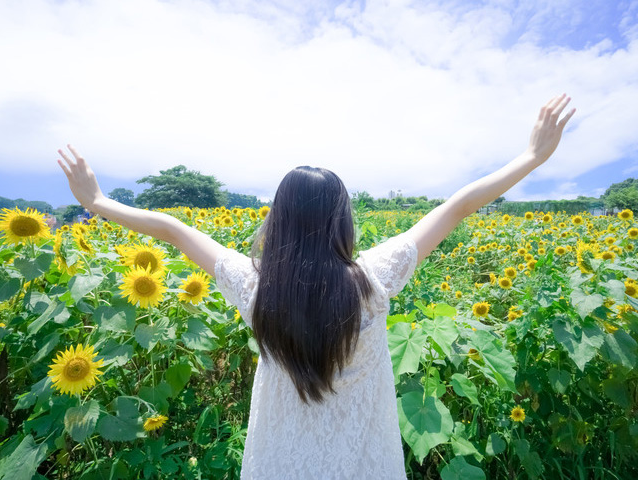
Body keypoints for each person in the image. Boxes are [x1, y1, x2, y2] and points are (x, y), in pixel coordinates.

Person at [57, 94, 575, 479]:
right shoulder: (374, 279)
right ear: (342, 222)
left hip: (279, 464)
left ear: (277, 220)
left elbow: (173, 228)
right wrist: (531, 157)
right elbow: (458, 206)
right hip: (363, 463)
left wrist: (98, 202)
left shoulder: (256, 288)